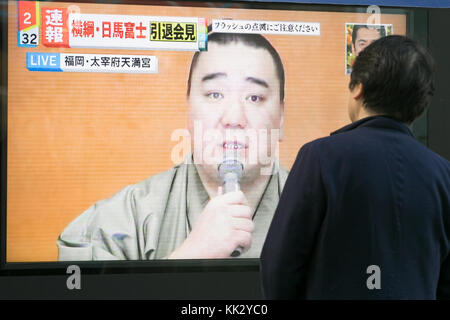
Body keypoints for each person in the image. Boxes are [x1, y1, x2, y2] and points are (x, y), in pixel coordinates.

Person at [57, 32, 288, 261]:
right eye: (215, 94)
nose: (234, 117)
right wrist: (190, 256)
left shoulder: (319, 208)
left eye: (255, 98)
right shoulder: (131, 214)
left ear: (281, 116)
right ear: (188, 109)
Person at [260, 35, 450, 299]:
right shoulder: (443, 174)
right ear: (420, 105)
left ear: (358, 88)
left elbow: (279, 266)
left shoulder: (320, 157)